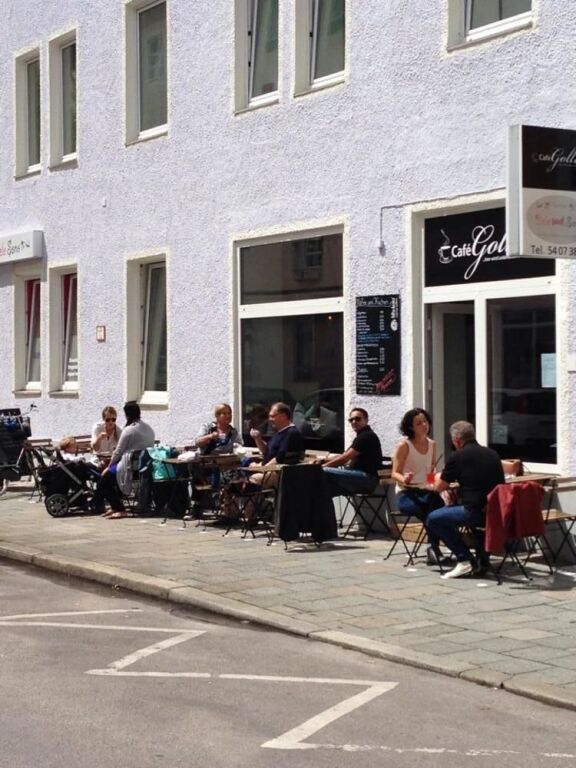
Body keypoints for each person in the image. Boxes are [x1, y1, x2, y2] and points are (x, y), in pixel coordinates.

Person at [428, 420, 505, 579]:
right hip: (494, 511)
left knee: (433, 519)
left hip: (473, 512)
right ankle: (482, 561)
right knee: (477, 522)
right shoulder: (492, 454)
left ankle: (465, 559)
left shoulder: (458, 456)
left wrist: (434, 478)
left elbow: (439, 487)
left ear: (457, 440)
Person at [391, 408, 445, 566]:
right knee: (429, 512)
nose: (424, 425)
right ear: (410, 427)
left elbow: (431, 469)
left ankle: (433, 548)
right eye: (419, 423)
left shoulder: (432, 444)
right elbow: (395, 473)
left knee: (439, 507)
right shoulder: (404, 445)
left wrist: (431, 483)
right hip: (407, 493)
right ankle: (433, 548)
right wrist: (405, 479)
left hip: (425, 491)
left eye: (425, 421)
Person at [94, 401, 155, 518]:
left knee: (104, 479)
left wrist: (108, 467)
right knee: (110, 479)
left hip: (131, 466)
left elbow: (118, 451)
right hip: (145, 466)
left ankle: (119, 508)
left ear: (127, 415)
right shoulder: (148, 428)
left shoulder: (129, 430)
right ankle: (115, 507)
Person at [323, 408, 383, 496]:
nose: (354, 422)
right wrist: (323, 460)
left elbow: (345, 458)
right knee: (324, 489)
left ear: (366, 420)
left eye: (357, 419)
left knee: (323, 471)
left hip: (366, 480)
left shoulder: (366, 436)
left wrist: (322, 467)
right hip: (363, 480)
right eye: (351, 420)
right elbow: (343, 455)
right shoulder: (361, 436)